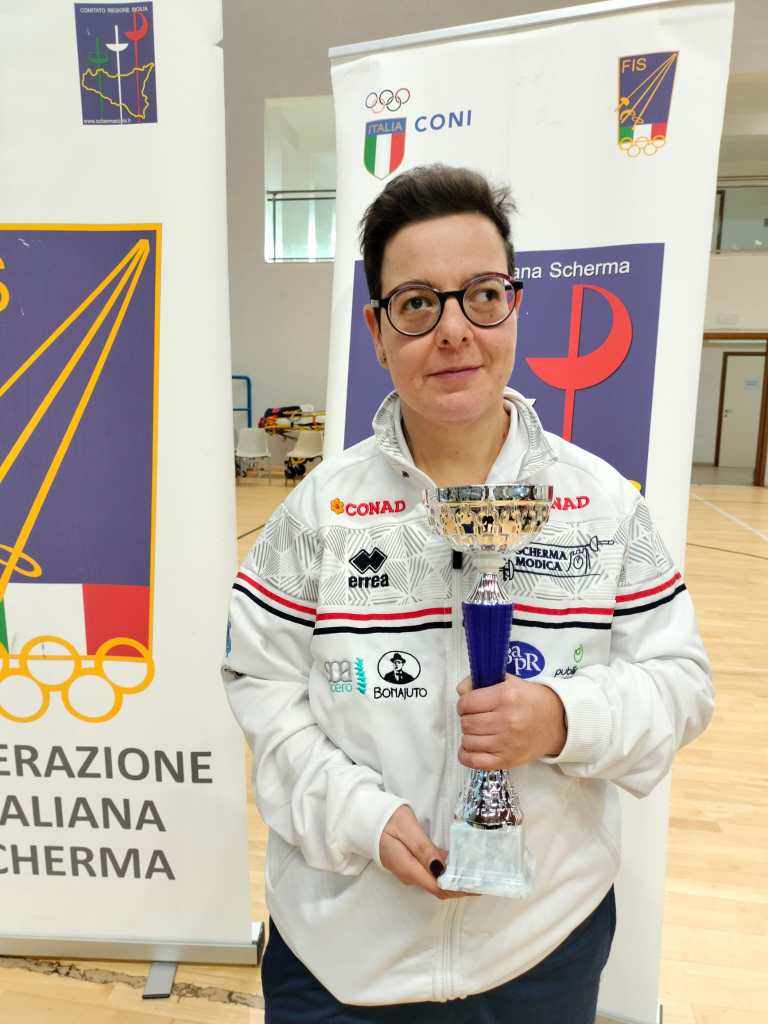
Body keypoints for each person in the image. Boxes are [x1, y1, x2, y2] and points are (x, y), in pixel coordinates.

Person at [222, 165, 713, 1022]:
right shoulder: (316, 516)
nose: (454, 330)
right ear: (378, 332)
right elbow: (263, 691)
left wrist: (562, 718)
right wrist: (361, 816)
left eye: (482, 296)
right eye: (418, 304)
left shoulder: (602, 506)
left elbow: (681, 684)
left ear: (514, 307)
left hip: (541, 948)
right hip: (340, 955)